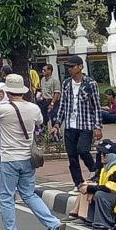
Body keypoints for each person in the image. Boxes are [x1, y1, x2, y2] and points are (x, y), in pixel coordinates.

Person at [0, 74, 65, 230]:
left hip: (9, 159)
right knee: (29, 194)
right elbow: (40, 121)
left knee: (7, 197)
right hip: (27, 158)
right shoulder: (33, 108)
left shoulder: (4, 109)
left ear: (8, 91)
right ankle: (53, 224)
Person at [49, 55, 101, 186]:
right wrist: (57, 124)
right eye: (68, 67)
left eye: (72, 67)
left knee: (83, 150)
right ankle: (78, 183)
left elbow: (96, 106)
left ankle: (96, 170)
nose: (69, 69)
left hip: (86, 124)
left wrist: (98, 126)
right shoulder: (66, 83)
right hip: (70, 126)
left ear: (80, 67)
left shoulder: (90, 84)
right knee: (72, 157)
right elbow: (62, 106)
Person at [73, 139, 116, 230]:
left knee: (100, 194)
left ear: (112, 156)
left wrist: (89, 189)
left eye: (104, 154)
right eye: (101, 153)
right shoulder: (105, 169)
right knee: (95, 191)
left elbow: (110, 188)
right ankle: (91, 219)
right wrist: (91, 189)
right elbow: (101, 185)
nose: (101, 156)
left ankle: (105, 222)